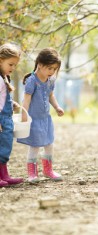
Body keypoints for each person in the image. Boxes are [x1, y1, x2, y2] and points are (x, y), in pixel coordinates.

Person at [17, 48, 64, 183]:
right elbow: (26, 100)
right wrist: (24, 117)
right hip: (34, 120)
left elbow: (51, 95)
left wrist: (57, 107)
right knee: (35, 146)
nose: (52, 72)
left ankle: (48, 170)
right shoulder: (32, 81)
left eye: (54, 69)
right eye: (49, 68)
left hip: (46, 119)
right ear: (39, 64)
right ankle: (32, 173)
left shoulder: (50, 80)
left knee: (49, 144)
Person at [0, 43, 24, 187]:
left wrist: (11, 103)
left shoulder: (5, 78)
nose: (12, 68)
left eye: (15, 65)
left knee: (5, 148)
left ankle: (4, 175)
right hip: (1, 119)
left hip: (6, 119)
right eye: (10, 64)